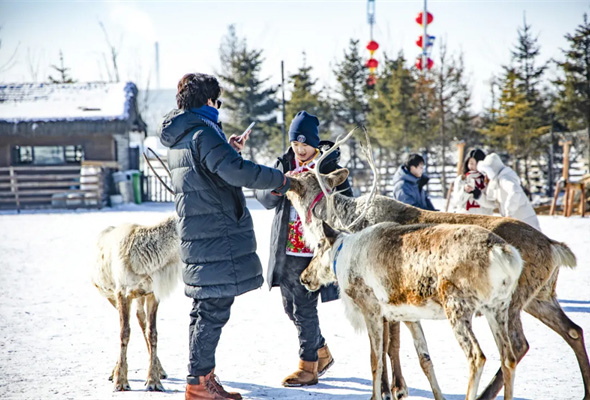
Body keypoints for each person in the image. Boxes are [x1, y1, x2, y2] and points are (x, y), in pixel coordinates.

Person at [159, 73, 290, 400]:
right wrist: (280, 178)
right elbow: (235, 172)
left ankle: (201, 377)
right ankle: (200, 385)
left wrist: (227, 149)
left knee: (204, 309)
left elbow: (208, 170)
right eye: (217, 102)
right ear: (207, 101)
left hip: (200, 233)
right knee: (213, 309)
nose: (218, 108)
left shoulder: (185, 135)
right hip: (214, 234)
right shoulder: (203, 133)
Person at [255, 111, 353, 387]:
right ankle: (320, 352)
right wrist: (276, 186)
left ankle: (308, 366)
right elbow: (263, 196)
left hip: (314, 252)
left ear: (314, 143)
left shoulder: (327, 166)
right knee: (289, 307)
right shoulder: (284, 163)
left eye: (304, 145)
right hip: (285, 247)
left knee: (304, 308)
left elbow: (347, 203)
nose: (299, 150)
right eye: (295, 144)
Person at [477, 153, 541, 230]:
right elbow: (493, 204)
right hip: (518, 223)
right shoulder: (498, 182)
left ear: (492, 171)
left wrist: (509, 213)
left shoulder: (504, 179)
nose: (485, 176)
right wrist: (477, 195)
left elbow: (515, 191)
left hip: (525, 221)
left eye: (486, 172)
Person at [450, 148, 494, 215]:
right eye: (471, 163)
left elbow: (492, 204)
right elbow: (456, 202)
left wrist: (479, 196)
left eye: (477, 164)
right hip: (464, 218)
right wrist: (464, 191)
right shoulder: (461, 179)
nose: (473, 167)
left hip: (484, 219)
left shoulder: (488, 180)